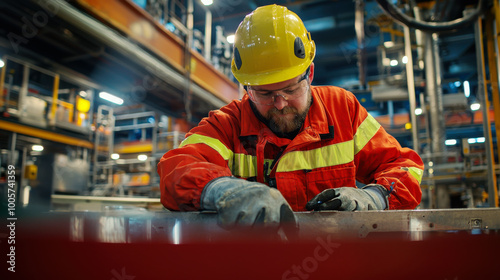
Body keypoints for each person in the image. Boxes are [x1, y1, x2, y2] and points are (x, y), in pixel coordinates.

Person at [157, 4, 424, 228]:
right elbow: (176, 169)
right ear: (246, 88)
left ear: (309, 74)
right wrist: (222, 190)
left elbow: (404, 166)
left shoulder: (343, 109)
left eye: (290, 89)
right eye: (264, 94)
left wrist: (377, 196)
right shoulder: (227, 124)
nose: (280, 103)